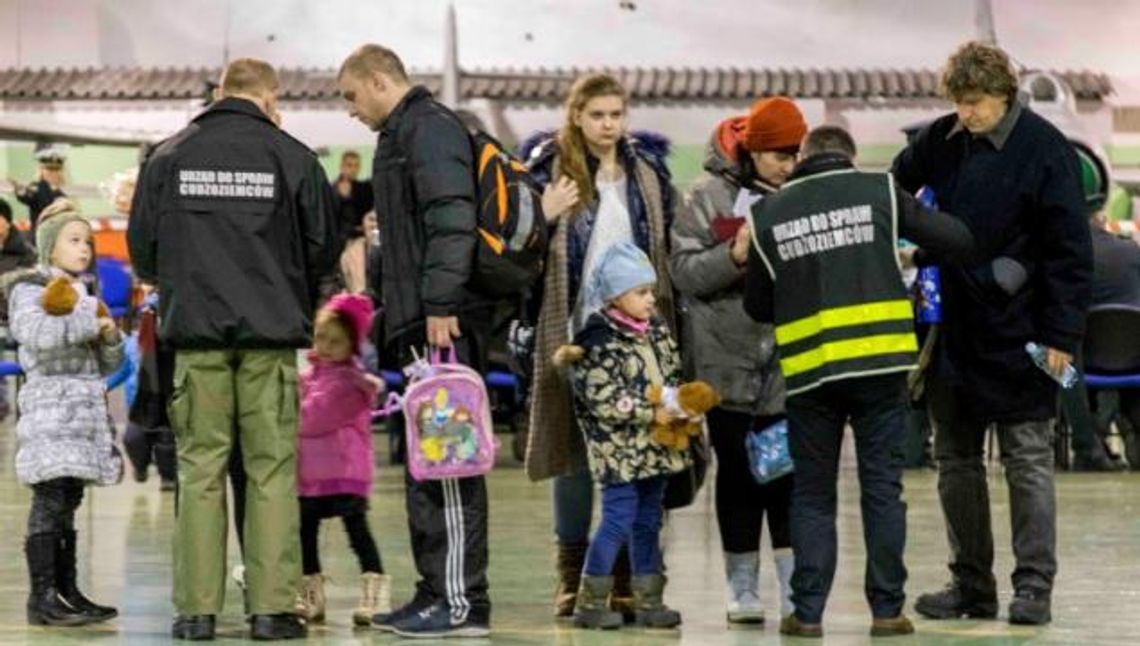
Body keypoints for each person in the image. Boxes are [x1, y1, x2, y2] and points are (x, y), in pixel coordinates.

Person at [128, 57, 338, 641]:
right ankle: (271, 610)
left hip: (195, 341)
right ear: (268, 98)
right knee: (271, 471)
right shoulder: (293, 157)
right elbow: (322, 248)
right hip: (270, 343)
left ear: (220, 93)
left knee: (199, 471)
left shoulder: (167, 157)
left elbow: (143, 252)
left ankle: (196, 613)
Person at [744, 125, 977, 638]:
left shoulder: (768, 214)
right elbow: (959, 240)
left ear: (803, 156)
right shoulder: (879, 191)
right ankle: (887, 611)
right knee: (881, 489)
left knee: (812, 496)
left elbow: (758, 305)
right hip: (880, 367)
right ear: (848, 158)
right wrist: (912, 256)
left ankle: (806, 615)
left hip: (810, 375)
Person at [892, 41, 1092, 626]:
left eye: (975, 103)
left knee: (1028, 460)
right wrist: (925, 238)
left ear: (1005, 96)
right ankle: (971, 586)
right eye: (958, 102)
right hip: (954, 332)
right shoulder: (941, 138)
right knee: (955, 460)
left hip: (1026, 334)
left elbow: (1070, 255)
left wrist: (1061, 337)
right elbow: (893, 187)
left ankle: (1034, 588)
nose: (965, 114)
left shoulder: (1045, 151)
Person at [337, 43, 492, 638]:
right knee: (431, 467)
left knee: (449, 468)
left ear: (379, 81)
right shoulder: (402, 134)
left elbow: (452, 218)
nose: (351, 110)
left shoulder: (428, 129)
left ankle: (459, 602)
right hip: (416, 321)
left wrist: (440, 303)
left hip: (440, 328)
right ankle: (436, 590)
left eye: (352, 96)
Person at [518, 72, 677, 620]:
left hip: (637, 334)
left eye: (616, 114)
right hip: (572, 333)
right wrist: (543, 213)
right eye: (597, 115)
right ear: (577, 116)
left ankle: (627, 577)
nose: (608, 125)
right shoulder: (549, 171)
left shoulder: (647, 174)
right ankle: (572, 576)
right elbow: (515, 254)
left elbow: (666, 252)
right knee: (575, 457)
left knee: (642, 454)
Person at [670, 96, 806, 625]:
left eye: (795, 154)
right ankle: (742, 586)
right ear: (752, 151)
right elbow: (683, 273)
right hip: (724, 366)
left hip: (788, 366)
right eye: (778, 155)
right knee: (739, 479)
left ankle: (796, 588)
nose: (788, 165)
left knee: (786, 478)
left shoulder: (803, 196)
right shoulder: (707, 198)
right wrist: (735, 255)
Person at [559, 241, 690, 630]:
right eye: (641, 292)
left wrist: (682, 404)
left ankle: (649, 599)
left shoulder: (657, 333)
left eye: (651, 291)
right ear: (615, 296)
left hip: (656, 449)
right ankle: (592, 599)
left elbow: (672, 374)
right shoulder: (597, 342)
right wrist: (653, 410)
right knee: (618, 519)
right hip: (619, 453)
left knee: (649, 520)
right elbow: (604, 400)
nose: (651, 300)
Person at [7, 198, 123, 627]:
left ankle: (67, 589)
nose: (84, 249)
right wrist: (90, 322)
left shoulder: (83, 295)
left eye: (88, 242)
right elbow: (35, 334)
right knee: (50, 497)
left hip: (81, 411)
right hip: (51, 411)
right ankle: (41, 598)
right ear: (50, 246)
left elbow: (105, 363)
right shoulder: (29, 289)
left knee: (70, 497)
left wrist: (109, 339)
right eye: (74, 240)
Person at [293, 294, 391, 626]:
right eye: (320, 338)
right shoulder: (309, 378)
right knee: (305, 534)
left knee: (358, 533)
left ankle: (374, 587)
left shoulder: (351, 384)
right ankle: (311, 592)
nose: (325, 347)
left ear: (351, 344)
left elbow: (312, 419)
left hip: (345, 472)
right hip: (309, 475)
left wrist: (289, 407)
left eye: (335, 341)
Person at [333, 150, 374, 293]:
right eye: (350, 165)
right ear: (342, 166)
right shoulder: (330, 190)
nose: (353, 169)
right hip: (338, 243)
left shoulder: (365, 189)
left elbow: (368, 214)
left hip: (359, 240)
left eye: (356, 165)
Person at [12, 145, 67, 232]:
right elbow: (27, 196)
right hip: (38, 237)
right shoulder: (37, 187)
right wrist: (20, 191)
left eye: (56, 169)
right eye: (49, 169)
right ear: (41, 170)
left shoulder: (62, 194)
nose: (53, 173)